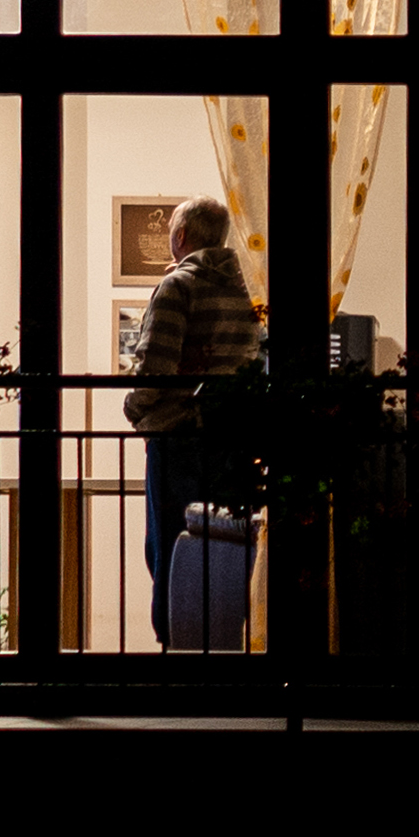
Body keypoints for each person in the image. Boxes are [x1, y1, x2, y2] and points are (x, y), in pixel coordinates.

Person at [124, 196, 262, 642]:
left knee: (169, 548)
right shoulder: (248, 290)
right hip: (232, 436)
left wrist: (133, 408)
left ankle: (176, 648)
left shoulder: (178, 286)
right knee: (225, 548)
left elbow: (155, 370)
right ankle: (222, 648)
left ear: (180, 235)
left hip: (179, 436)